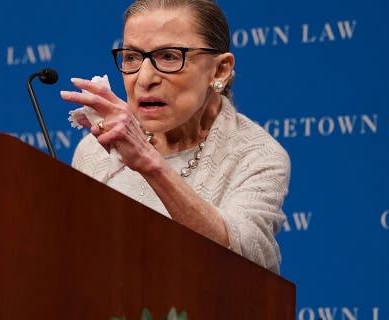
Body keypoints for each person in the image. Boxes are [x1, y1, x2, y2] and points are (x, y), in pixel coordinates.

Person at [60, 0, 290, 274]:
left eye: (169, 57)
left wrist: (148, 162)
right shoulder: (94, 149)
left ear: (220, 70)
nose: (144, 78)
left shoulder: (258, 156)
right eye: (132, 57)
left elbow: (247, 259)